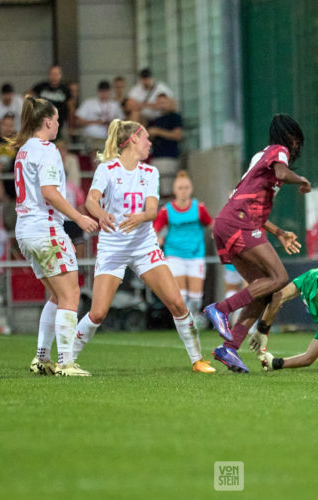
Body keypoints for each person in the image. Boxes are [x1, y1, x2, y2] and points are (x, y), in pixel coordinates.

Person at [71, 119, 215, 373]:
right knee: (98, 314)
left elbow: (151, 210)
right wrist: (100, 215)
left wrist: (141, 217)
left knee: (178, 304)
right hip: (113, 249)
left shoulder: (150, 172)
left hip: (144, 248)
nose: (150, 143)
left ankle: (197, 359)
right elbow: (91, 201)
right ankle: (66, 359)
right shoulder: (107, 169)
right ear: (133, 140)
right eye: (146, 138)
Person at [203, 113, 310, 373]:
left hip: (232, 220)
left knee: (265, 290)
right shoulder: (279, 151)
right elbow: (282, 172)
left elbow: (238, 196)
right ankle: (220, 309)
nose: (295, 147)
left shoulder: (258, 157)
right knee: (280, 276)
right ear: (291, 138)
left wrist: (279, 232)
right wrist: (302, 180)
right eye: (296, 141)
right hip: (240, 222)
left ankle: (229, 348)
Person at [9, 96, 98, 377]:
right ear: (47, 121)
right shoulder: (47, 150)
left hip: (25, 230)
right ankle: (66, 362)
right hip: (44, 228)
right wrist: (79, 216)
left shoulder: (24, 150)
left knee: (57, 295)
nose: (58, 124)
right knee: (71, 292)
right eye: (57, 119)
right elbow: (49, 191)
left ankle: (41, 358)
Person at [153, 171, 213, 325]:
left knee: (196, 298)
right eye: (180, 188)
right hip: (174, 254)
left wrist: (218, 233)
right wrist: (157, 239)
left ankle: (193, 318)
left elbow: (211, 224)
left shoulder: (199, 208)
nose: (183, 191)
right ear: (175, 190)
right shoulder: (167, 210)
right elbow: (155, 230)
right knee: (182, 294)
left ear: (191, 189)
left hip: (196, 254)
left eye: (186, 187)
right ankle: (185, 324)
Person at [147, 93, 183, 197]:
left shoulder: (174, 117)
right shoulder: (154, 120)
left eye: (164, 102)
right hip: (155, 157)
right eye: (159, 103)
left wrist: (158, 132)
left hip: (169, 156)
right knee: (156, 192)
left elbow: (178, 135)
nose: (162, 105)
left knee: (168, 191)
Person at [75, 80, 124, 153]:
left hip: (110, 135)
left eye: (106, 92)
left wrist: (112, 122)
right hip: (93, 135)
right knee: (96, 147)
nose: (104, 94)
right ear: (98, 92)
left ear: (110, 92)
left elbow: (122, 121)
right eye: (102, 92)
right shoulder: (89, 103)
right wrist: (95, 122)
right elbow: (78, 120)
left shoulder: (115, 105)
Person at [31, 66, 73, 132]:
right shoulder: (41, 86)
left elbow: (71, 108)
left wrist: (70, 126)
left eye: (56, 74)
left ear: (60, 75)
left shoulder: (65, 89)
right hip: (42, 122)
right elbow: (28, 96)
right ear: (48, 75)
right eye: (52, 74)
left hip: (59, 123)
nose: (54, 77)